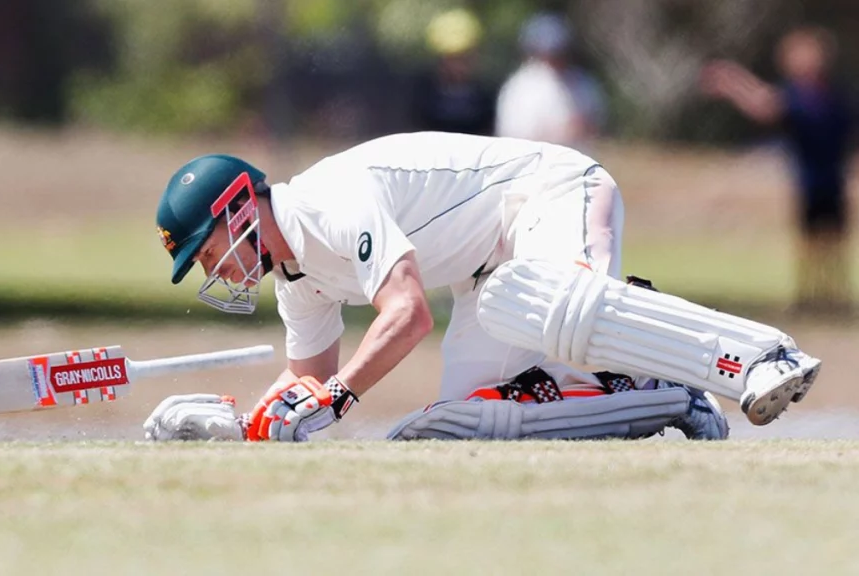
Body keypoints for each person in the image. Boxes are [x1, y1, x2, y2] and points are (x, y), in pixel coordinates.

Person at [143, 132, 822, 444]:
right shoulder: (296, 279)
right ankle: (667, 396)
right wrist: (231, 428)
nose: (217, 272)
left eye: (209, 254)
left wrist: (341, 399)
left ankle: (760, 357)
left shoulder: (323, 201)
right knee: (470, 419)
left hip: (548, 193)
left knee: (546, 300)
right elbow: (306, 384)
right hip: (486, 271)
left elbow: (406, 315)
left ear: (239, 209)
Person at [699, 25, 854, 315]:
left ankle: (836, 295)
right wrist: (733, 80)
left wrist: (731, 79)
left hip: (833, 179)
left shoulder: (834, 96)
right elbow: (763, 104)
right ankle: (810, 296)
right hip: (809, 180)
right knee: (809, 242)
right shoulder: (797, 96)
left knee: (834, 241)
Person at [494, 12, 606, 153]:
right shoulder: (520, 87)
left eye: (559, 51)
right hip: (536, 167)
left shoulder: (582, 81)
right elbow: (514, 136)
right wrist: (563, 131)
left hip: (579, 165)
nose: (554, 58)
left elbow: (596, 121)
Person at [412, 8, 496, 136]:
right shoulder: (421, 95)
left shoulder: (486, 98)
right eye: (454, 58)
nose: (460, 65)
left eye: (466, 57)